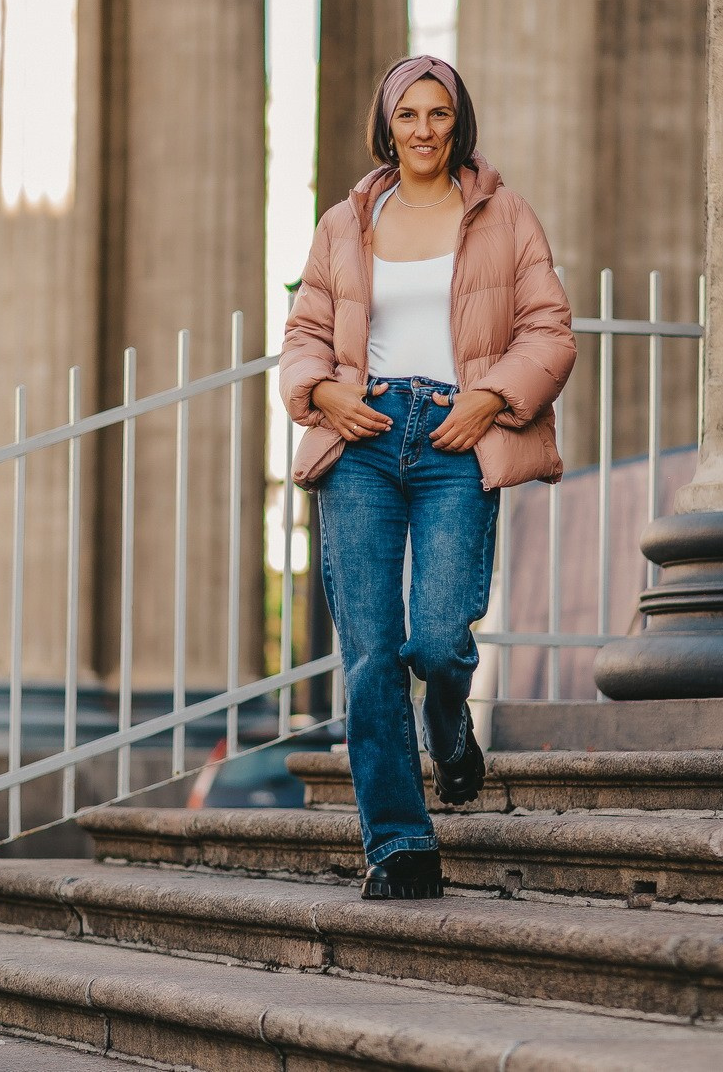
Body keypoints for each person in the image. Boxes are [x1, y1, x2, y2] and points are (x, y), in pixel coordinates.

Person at [280, 55, 576, 900]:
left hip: (455, 434)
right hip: (364, 437)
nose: (422, 128)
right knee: (373, 652)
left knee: (439, 640)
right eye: (407, 114)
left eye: (437, 113)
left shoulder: (504, 213)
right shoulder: (347, 221)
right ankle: (401, 842)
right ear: (387, 124)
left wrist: (489, 401)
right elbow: (304, 331)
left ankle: (449, 734)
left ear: (458, 122)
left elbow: (550, 331)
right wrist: (324, 388)